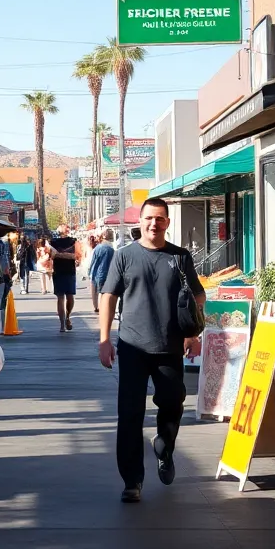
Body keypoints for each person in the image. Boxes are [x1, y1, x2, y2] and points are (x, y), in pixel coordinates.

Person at [98, 198, 204, 504]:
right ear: (140, 221)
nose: (153, 224)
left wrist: (192, 333)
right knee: (130, 414)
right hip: (132, 347)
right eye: (148, 218)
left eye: (159, 219)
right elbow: (108, 296)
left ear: (167, 223)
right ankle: (132, 480)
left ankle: (164, 444)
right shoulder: (124, 256)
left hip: (170, 346)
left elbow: (198, 295)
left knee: (172, 403)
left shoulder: (180, 257)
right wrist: (104, 339)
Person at [49, 224, 82, 332]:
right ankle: (66, 318)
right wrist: (69, 256)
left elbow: (52, 256)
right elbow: (77, 256)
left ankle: (63, 323)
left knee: (61, 298)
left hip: (59, 272)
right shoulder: (73, 241)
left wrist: (59, 254)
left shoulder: (53, 243)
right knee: (69, 296)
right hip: (68, 272)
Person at [88, 228, 116, 315]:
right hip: (108, 273)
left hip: (96, 273)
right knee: (104, 292)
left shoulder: (98, 248)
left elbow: (93, 261)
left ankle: (97, 307)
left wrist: (89, 271)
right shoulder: (112, 250)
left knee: (96, 292)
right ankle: (102, 308)